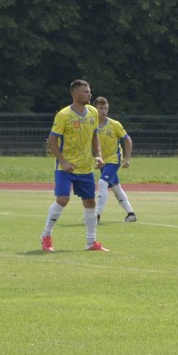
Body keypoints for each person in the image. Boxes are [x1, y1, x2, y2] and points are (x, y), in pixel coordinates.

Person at [41, 79, 108, 252]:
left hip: (85, 167)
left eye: (89, 90)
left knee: (90, 202)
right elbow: (52, 140)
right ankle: (46, 235)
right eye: (86, 91)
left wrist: (99, 155)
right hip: (66, 167)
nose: (90, 94)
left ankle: (91, 242)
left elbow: (94, 136)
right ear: (75, 94)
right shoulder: (64, 115)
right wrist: (63, 161)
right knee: (63, 199)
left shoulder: (93, 112)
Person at [93, 97, 137, 223]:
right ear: (95, 109)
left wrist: (127, 158)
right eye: (101, 108)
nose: (103, 111)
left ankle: (97, 216)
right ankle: (131, 214)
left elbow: (128, 140)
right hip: (103, 162)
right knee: (116, 188)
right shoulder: (92, 125)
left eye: (106, 108)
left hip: (114, 160)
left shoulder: (114, 125)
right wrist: (98, 158)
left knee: (102, 183)